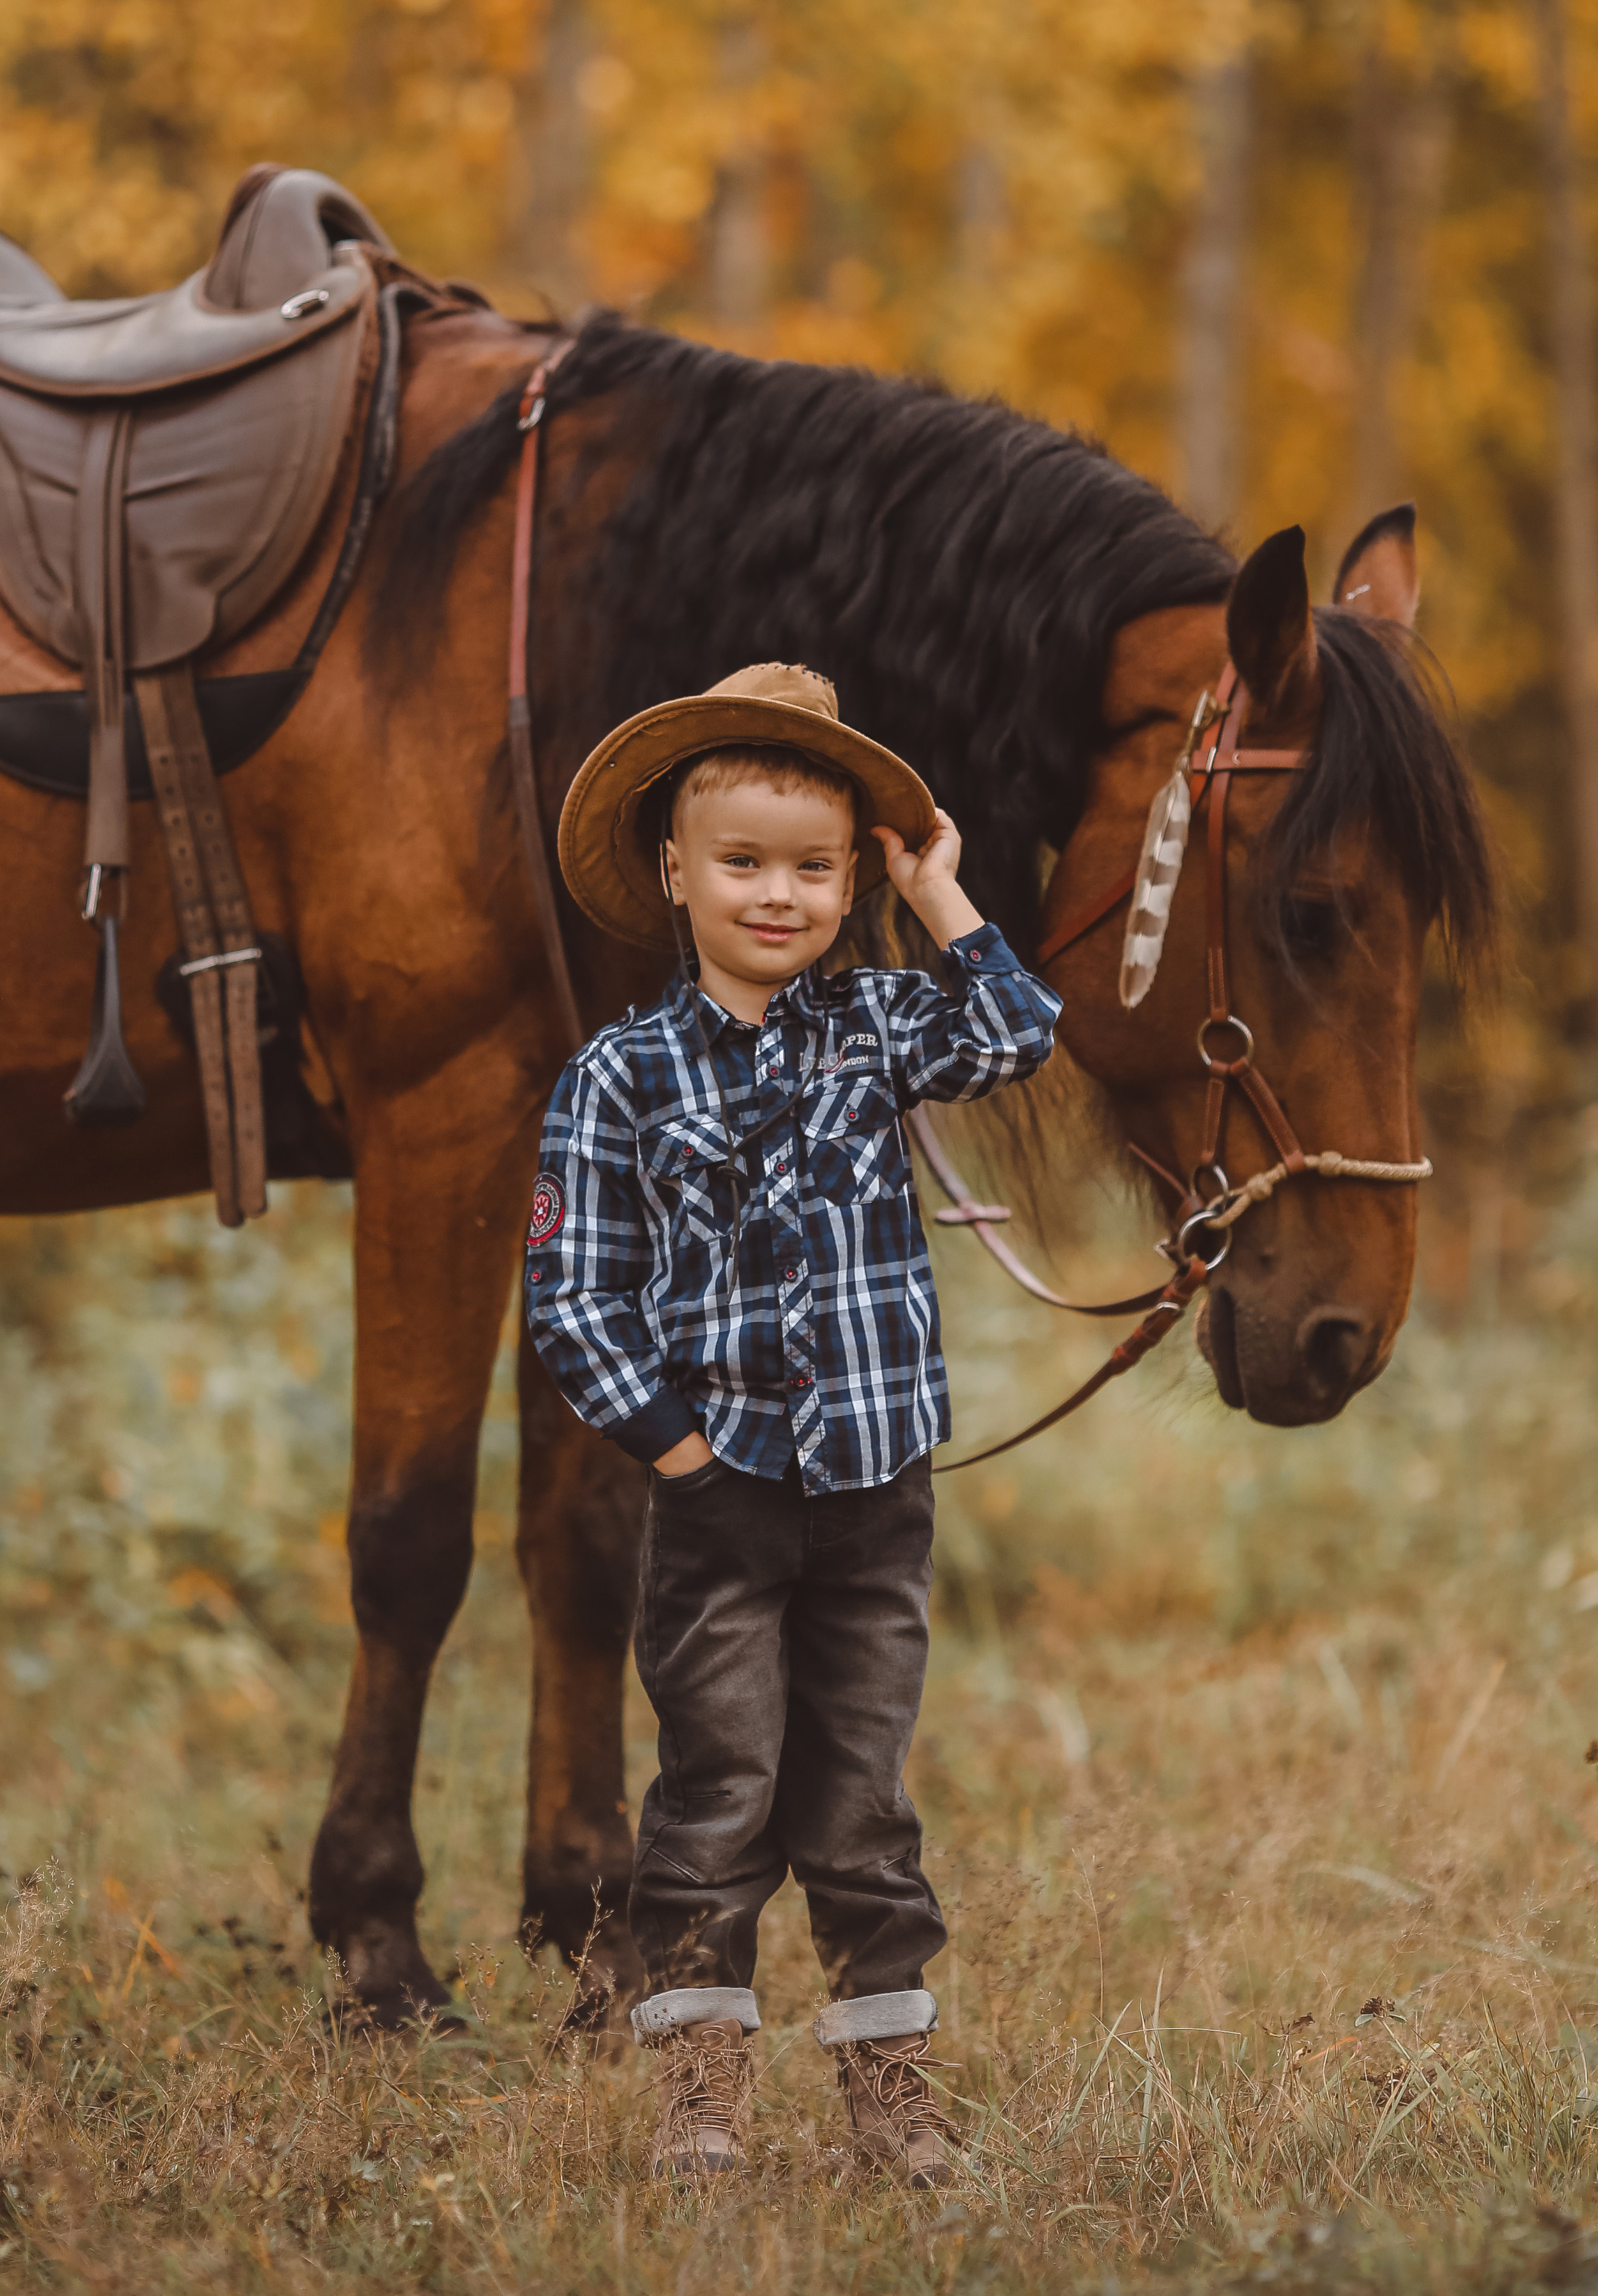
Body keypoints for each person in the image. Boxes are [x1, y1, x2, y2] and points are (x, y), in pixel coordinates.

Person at [524, 663, 1061, 2186]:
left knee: (862, 1803)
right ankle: (702, 2099)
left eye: (814, 868)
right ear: (674, 873)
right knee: (717, 1791)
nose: (778, 895)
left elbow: (1019, 1032)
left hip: (877, 1491)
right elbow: (573, 1296)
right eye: (744, 862)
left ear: (849, 883)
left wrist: (938, 891)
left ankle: (893, 2099)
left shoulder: (880, 1024)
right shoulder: (617, 1076)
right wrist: (680, 1455)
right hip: (721, 1498)